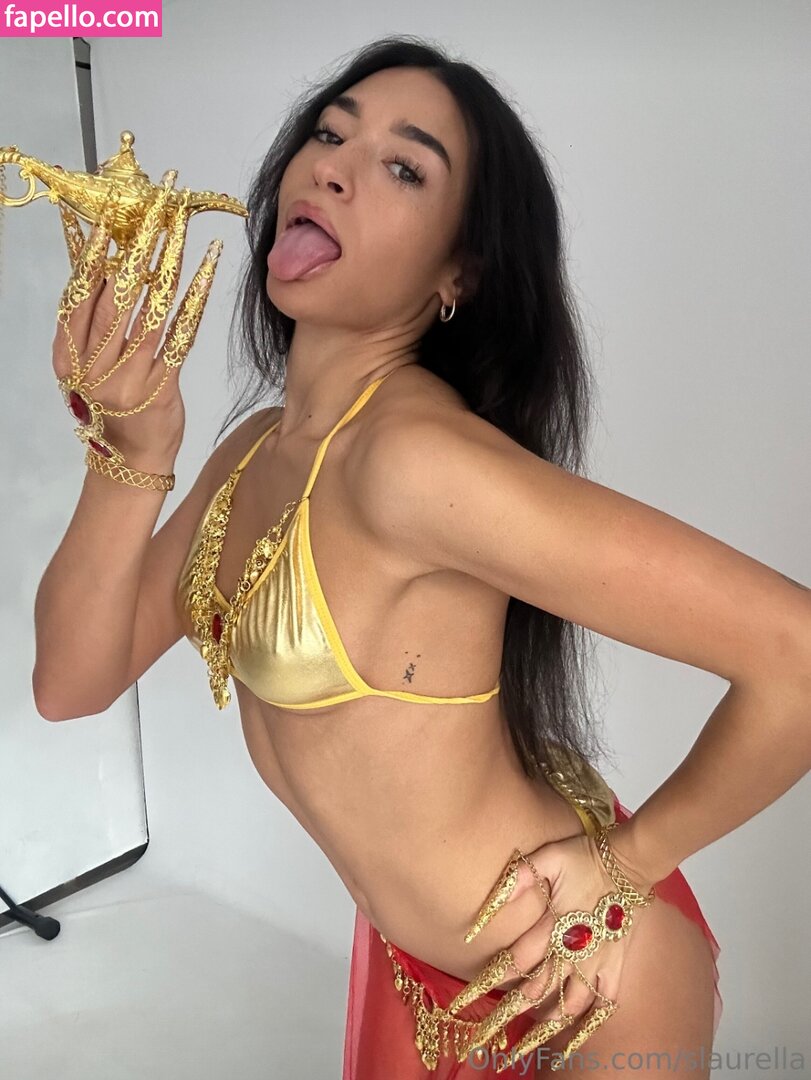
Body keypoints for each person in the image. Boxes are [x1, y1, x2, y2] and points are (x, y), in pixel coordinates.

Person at [34, 34, 811, 1079]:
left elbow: (795, 652)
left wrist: (630, 862)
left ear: (458, 272)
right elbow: (72, 684)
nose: (332, 167)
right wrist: (130, 457)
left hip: (581, 983)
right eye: (328, 134)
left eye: (404, 167)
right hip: (409, 969)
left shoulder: (412, 460)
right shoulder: (251, 451)